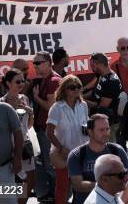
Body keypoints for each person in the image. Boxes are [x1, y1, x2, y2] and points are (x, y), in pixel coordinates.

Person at [67, 114, 128, 204]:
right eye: (101, 130)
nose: (106, 133)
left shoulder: (117, 150)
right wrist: (107, 185)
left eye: (107, 129)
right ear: (90, 132)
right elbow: (78, 185)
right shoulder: (77, 155)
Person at [46, 74, 90, 204]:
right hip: (63, 153)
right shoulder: (57, 107)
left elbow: (86, 125)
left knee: (81, 187)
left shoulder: (83, 105)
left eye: (79, 87)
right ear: (64, 89)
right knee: (63, 187)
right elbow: (49, 132)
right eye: (72, 87)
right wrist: (61, 148)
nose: (76, 90)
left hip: (82, 152)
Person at [0, 68, 36, 204]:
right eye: (18, 81)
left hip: (25, 142)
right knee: (15, 180)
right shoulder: (1, 102)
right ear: (8, 83)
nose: (22, 84)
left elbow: (29, 126)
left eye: (23, 80)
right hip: (9, 146)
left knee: (30, 180)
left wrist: (30, 113)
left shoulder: (24, 98)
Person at [32, 51, 61, 201]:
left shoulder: (53, 81)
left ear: (49, 63)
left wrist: (36, 98)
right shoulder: (46, 79)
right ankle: (54, 193)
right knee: (47, 163)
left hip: (49, 130)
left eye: (38, 63)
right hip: (44, 129)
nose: (35, 66)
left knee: (51, 164)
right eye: (34, 63)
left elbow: (50, 107)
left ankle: (56, 194)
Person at [85, 52, 122, 131]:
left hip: (108, 124)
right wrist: (82, 94)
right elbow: (95, 91)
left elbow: (101, 107)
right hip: (99, 119)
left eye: (92, 65)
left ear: (100, 64)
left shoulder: (112, 82)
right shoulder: (102, 74)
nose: (91, 68)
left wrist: (81, 100)